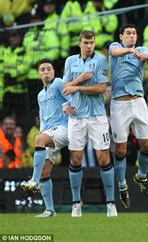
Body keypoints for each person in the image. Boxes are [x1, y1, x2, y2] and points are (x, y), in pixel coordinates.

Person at [62, 30, 116, 217]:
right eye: (86, 42)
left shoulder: (100, 60)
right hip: (76, 117)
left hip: (97, 116)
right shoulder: (70, 61)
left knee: (103, 158)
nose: (89, 46)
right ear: (80, 43)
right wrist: (77, 82)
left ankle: (111, 203)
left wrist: (76, 87)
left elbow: (102, 88)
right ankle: (76, 203)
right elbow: (65, 87)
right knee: (75, 159)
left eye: (92, 42)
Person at [20, 59, 73, 217]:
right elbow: (43, 118)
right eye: (42, 69)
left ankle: (33, 181)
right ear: (38, 74)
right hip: (50, 131)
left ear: (54, 72)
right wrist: (43, 131)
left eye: (48, 69)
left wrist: (67, 105)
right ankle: (50, 210)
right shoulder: (40, 95)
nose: (45, 72)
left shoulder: (58, 82)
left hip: (65, 128)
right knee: (45, 172)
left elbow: (72, 96)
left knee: (39, 140)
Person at [109, 24, 148, 209]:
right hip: (119, 104)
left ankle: (141, 177)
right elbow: (113, 51)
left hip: (138, 102)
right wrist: (129, 51)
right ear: (121, 36)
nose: (132, 36)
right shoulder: (115, 47)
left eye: (134, 33)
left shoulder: (141, 50)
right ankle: (122, 186)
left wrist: (143, 56)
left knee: (147, 146)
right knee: (120, 149)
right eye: (128, 33)